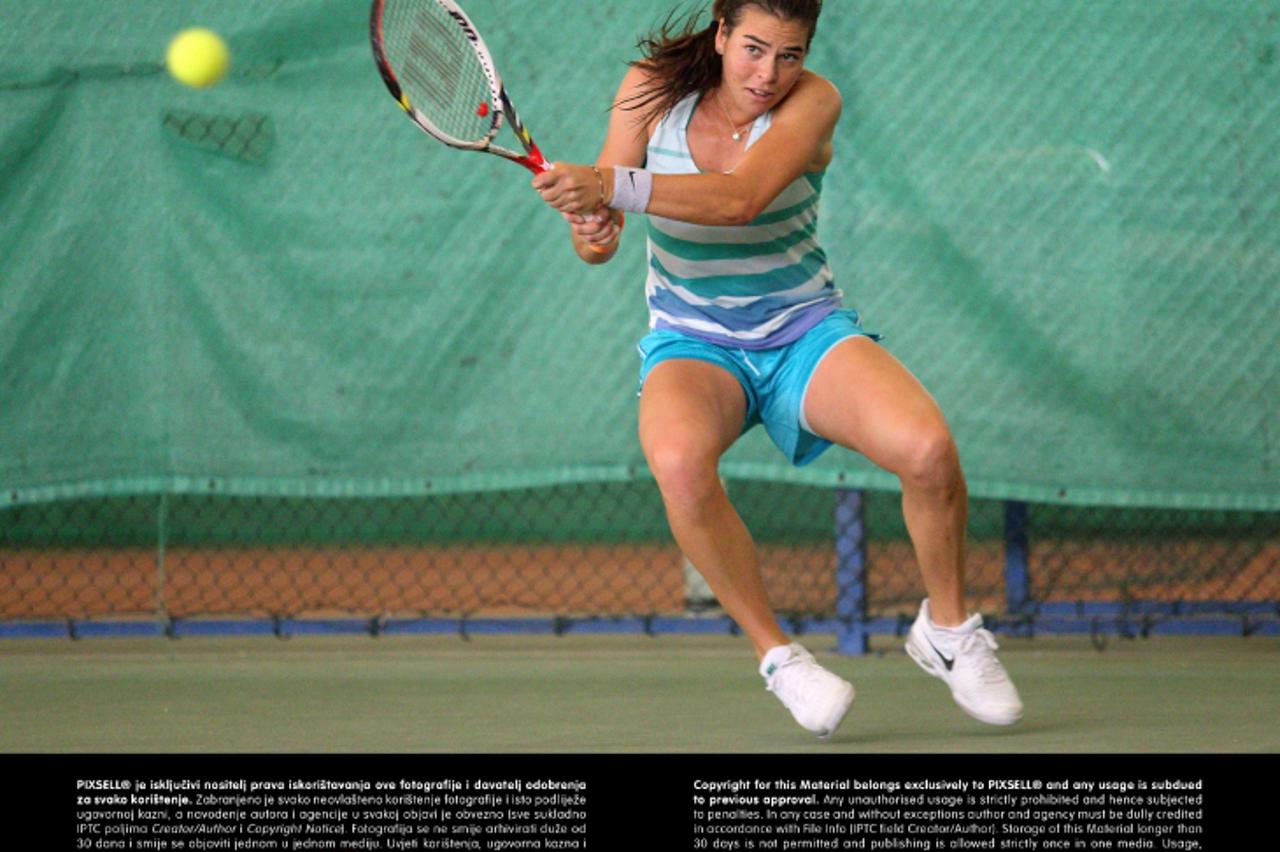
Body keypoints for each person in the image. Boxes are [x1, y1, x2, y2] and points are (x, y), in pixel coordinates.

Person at [532, 0, 1022, 738]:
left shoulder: (815, 100)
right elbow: (598, 240)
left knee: (927, 450)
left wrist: (610, 188)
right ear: (722, 33)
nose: (769, 74)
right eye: (755, 49)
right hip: (694, 341)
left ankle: (948, 632)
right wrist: (594, 226)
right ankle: (780, 658)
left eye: (788, 55)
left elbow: (739, 200)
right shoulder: (646, 90)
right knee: (677, 462)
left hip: (803, 330)